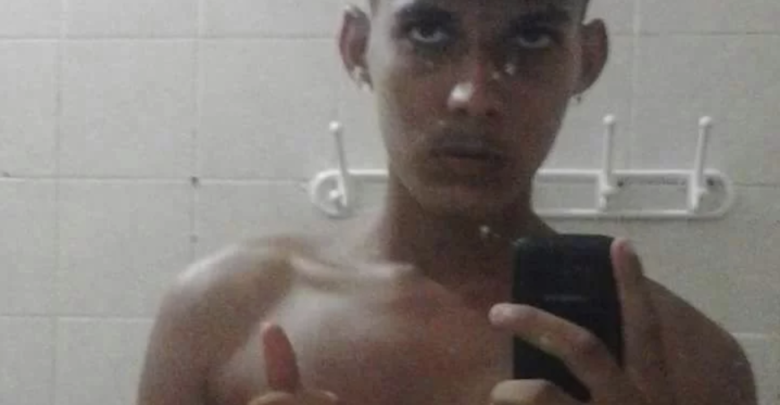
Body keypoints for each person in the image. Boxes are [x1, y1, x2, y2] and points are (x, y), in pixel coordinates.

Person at [137, 1, 757, 404]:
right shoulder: (220, 313)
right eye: (429, 32)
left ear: (586, 60)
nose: (474, 95)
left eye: (532, 36)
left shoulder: (690, 365)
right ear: (357, 47)